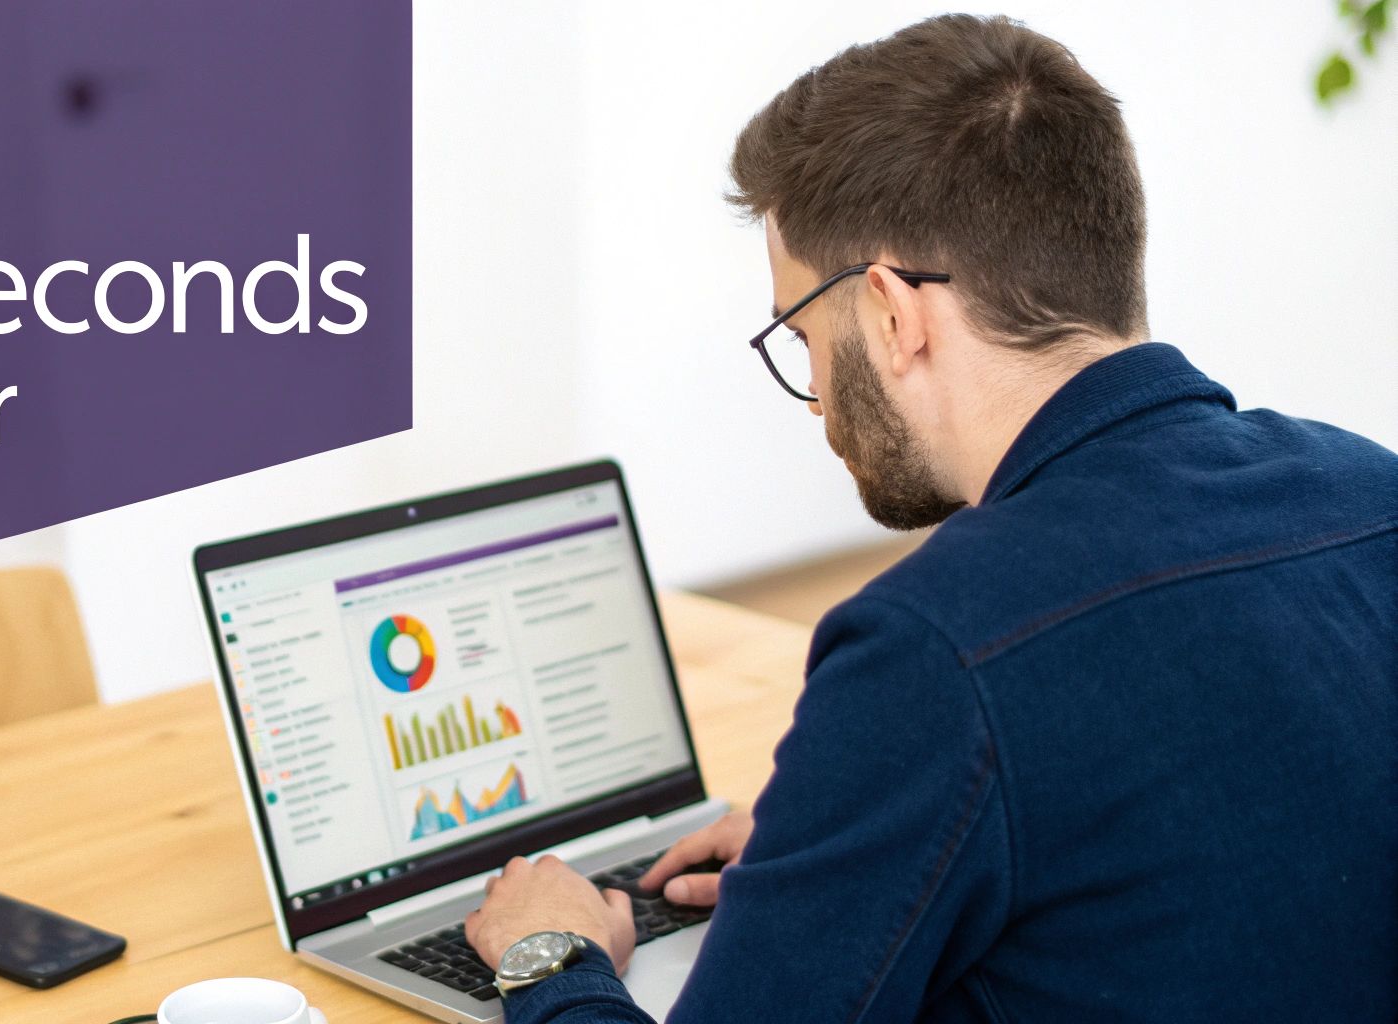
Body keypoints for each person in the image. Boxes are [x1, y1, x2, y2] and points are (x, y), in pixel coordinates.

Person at [464, 13, 1398, 1022]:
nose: (815, 391)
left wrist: (549, 953)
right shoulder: (1368, 494)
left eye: (802, 335)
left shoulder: (934, 644)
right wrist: (839, 852)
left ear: (890, 314)